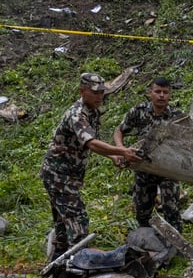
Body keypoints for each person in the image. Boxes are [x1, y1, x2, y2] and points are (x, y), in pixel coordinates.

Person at [40, 72, 143, 264]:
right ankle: (81, 265)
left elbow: (91, 143)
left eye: (102, 92)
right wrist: (122, 152)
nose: (99, 96)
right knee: (78, 220)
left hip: (67, 175)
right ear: (82, 91)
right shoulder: (77, 114)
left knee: (63, 223)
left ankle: (59, 267)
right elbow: (92, 143)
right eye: (95, 92)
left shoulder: (92, 112)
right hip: (58, 175)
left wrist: (113, 155)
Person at [113, 77, 185, 231]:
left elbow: (188, 140)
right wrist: (121, 150)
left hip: (168, 168)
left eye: (165, 92)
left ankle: (175, 240)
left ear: (170, 94)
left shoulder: (177, 116)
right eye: (157, 91)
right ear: (150, 93)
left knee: (170, 206)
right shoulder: (138, 112)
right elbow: (119, 131)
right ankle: (147, 239)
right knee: (142, 209)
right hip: (144, 167)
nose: (161, 96)